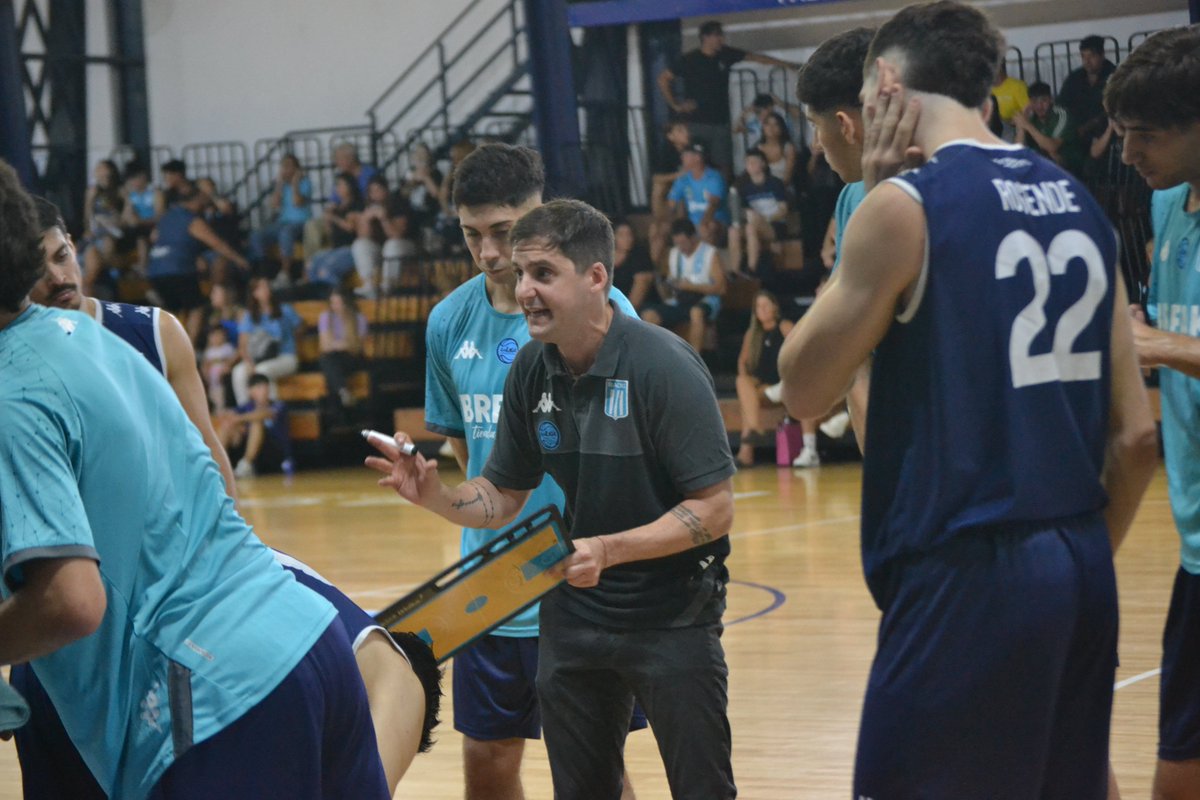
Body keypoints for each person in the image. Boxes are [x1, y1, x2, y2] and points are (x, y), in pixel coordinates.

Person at [776, 4, 1157, 797]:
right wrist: (1070, 555)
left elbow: (805, 391)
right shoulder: (1080, 201)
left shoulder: (902, 205)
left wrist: (872, 216)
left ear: (884, 84)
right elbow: (1135, 439)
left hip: (966, 570)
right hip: (1080, 558)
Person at [0, 159, 391, 799]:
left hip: (210, 691)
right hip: (303, 639)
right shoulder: (95, 337)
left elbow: (71, 599)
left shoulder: (20, 389)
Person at [368, 198, 737, 800]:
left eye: (543, 274)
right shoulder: (532, 372)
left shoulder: (663, 366)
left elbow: (714, 508)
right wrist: (436, 495)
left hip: (672, 615)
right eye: (521, 275)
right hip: (575, 611)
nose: (526, 291)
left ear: (596, 278)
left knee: (702, 788)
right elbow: (502, 493)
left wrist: (610, 550)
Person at [419, 143, 642, 800]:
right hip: (491, 578)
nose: (488, 253)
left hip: (580, 574)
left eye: (502, 232)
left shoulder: (608, 313)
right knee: (486, 766)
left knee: (595, 771)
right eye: (471, 234)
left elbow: (627, 451)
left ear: (539, 215)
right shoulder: (446, 322)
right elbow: (468, 451)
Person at [1105, 26, 1200, 800]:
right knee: (1178, 763)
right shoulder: (1168, 208)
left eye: (1149, 133)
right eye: (1123, 131)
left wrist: (1160, 345)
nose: (1130, 152)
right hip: (1195, 544)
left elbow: (1161, 343)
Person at [27, 195, 238, 495]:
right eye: (38, 269)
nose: (59, 278)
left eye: (62, 256)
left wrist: (231, 538)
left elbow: (206, 450)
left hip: (166, 532)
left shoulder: (157, 332)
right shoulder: (13, 360)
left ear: (73, 247)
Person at [656, 19, 796, 174]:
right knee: (697, 161)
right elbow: (663, 78)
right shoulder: (690, 59)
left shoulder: (726, 54)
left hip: (721, 121)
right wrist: (675, 104)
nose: (721, 39)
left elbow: (756, 57)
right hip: (697, 122)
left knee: (724, 164)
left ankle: (724, 195)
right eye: (717, 35)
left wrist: (787, 64)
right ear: (705, 37)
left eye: (721, 35)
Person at [147, 180, 248, 342]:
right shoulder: (192, 220)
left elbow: (154, 237)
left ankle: (169, 349)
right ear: (196, 200)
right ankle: (190, 347)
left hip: (155, 270)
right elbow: (216, 243)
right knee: (197, 307)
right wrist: (239, 259)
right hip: (178, 268)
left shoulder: (167, 217)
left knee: (173, 309)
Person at [642, 218, 727, 354]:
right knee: (649, 314)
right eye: (677, 243)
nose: (680, 247)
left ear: (693, 238)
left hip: (705, 300)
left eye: (683, 243)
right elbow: (670, 283)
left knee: (696, 312)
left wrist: (690, 286)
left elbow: (720, 288)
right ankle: (657, 360)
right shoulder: (675, 254)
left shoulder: (709, 253)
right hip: (681, 300)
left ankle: (695, 361)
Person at [734, 290, 793, 466]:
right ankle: (753, 430)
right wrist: (745, 377)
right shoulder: (752, 334)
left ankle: (746, 451)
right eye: (759, 307)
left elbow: (799, 353)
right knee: (741, 382)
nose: (763, 309)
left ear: (775, 307)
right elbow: (742, 363)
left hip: (783, 385)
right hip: (762, 387)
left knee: (747, 402)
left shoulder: (784, 326)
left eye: (766, 305)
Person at [231, 276, 302, 406]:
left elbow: (300, 328)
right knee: (238, 372)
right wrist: (249, 364)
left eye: (267, 286)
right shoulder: (249, 316)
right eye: (261, 288)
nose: (266, 290)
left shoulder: (285, 309)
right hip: (258, 358)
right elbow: (243, 345)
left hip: (285, 356)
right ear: (254, 293)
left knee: (263, 371)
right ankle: (245, 408)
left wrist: (291, 340)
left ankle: (272, 412)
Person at [248, 153, 312, 283]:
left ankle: (285, 271)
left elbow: (297, 202)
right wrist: (279, 184)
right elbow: (275, 205)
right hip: (283, 221)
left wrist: (295, 183)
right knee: (256, 236)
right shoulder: (282, 185)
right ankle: (265, 268)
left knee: (286, 233)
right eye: (284, 166)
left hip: (301, 222)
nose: (286, 170)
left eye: (289, 166)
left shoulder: (305, 183)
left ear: (297, 168)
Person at [218, 372, 293, 478]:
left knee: (256, 423)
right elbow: (227, 416)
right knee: (227, 427)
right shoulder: (246, 407)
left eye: (265, 387)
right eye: (259, 388)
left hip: (275, 452)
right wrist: (236, 424)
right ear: (250, 391)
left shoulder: (278, 405)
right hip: (254, 450)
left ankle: (245, 466)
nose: (264, 391)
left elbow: (264, 414)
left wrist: (239, 419)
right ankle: (220, 467)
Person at [729, 147, 790, 277]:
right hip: (753, 225)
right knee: (733, 231)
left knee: (751, 226)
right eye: (747, 163)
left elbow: (784, 210)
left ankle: (751, 269)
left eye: (753, 162)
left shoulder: (775, 183)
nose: (750, 166)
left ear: (763, 163)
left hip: (774, 225)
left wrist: (765, 219)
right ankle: (735, 270)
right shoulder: (744, 187)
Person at [1058, 34, 1118, 150]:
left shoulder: (1115, 77)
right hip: (1075, 132)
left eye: (1091, 56)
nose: (1087, 61)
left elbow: (1114, 109)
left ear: (1102, 55)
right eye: (1083, 57)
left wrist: (1088, 127)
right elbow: (1062, 104)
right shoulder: (1075, 78)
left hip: (1105, 132)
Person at [667, 142, 730, 245]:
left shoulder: (714, 177)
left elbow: (713, 205)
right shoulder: (683, 178)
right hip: (691, 224)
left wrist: (703, 223)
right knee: (658, 229)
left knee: (708, 227)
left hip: (715, 221)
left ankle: (703, 259)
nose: (682, 157)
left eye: (686, 155)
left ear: (698, 158)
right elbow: (671, 204)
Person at [319, 286, 368, 416]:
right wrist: (343, 344)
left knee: (329, 366)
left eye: (338, 303)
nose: (335, 306)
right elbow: (324, 346)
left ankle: (337, 411)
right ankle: (343, 392)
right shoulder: (325, 317)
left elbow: (356, 347)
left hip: (352, 357)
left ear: (346, 302)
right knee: (328, 361)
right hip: (334, 357)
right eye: (333, 303)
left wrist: (336, 344)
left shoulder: (358, 318)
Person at [1014, 81, 1083, 174]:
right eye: (1034, 101)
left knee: (1054, 155)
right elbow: (1018, 150)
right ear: (1030, 103)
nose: (1039, 106)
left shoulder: (1061, 114)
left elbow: (1052, 147)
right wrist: (1021, 127)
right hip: (1042, 162)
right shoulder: (1030, 117)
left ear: (1051, 100)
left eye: (1044, 100)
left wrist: (1027, 125)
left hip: (1069, 162)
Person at [610, 219, 658, 314]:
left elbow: (640, 290)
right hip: (612, 307)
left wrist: (623, 314)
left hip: (640, 306)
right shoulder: (605, 257)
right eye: (622, 235)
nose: (627, 238)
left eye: (629, 234)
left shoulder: (641, 256)